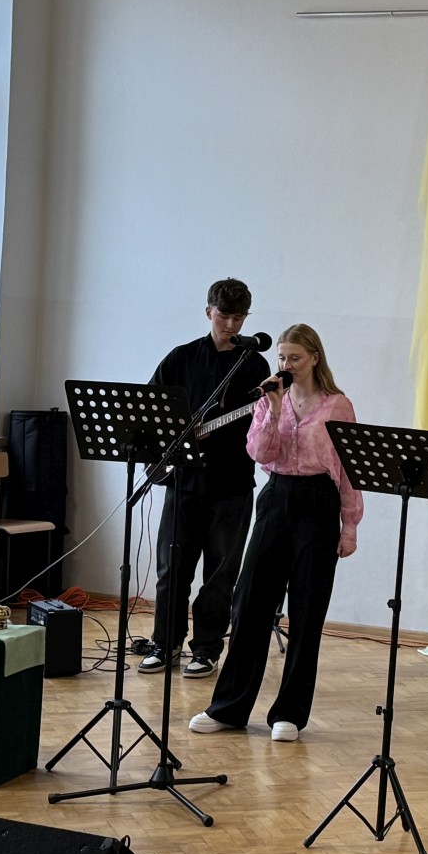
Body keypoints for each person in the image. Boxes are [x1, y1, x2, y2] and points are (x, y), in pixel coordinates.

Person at [191, 323, 362, 740]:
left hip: (319, 502)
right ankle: (229, 708)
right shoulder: (269, 401)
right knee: (249, 603)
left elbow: (348, 471)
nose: (286, 364)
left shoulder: (338, 405)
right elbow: (259, 452)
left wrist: (350, 525)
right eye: (282, 357)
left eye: (295, 358)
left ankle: (290, 713)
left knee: (307, 610)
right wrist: (273, 407)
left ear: (315, 359)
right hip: (276, 497)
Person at [141, 277, 271, 678]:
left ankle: (207, 649)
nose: (231, 325)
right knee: (172, 569)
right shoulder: (181, 358)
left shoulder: (254, 364)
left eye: (239, 317)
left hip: (232, 484)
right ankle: (165, 644)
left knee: (220, 573)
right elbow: (152, 409)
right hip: (183, 481)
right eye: (223, 316)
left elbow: (262, 423)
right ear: (208, 312)